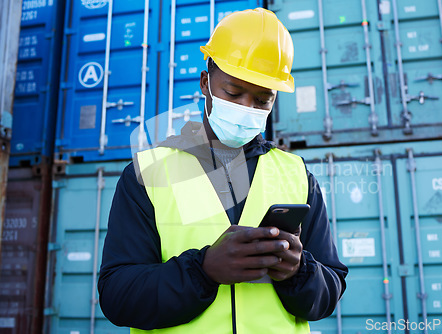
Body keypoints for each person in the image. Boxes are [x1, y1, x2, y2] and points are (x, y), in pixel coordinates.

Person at [98, 7, 347, 334]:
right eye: (233, 92)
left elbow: (330, 290)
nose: (247, 107)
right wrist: (203, 271)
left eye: (262, 99)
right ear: (205, 83)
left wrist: (299, 271)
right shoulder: (148, 174)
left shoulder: (297, 174)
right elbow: (118, 295)